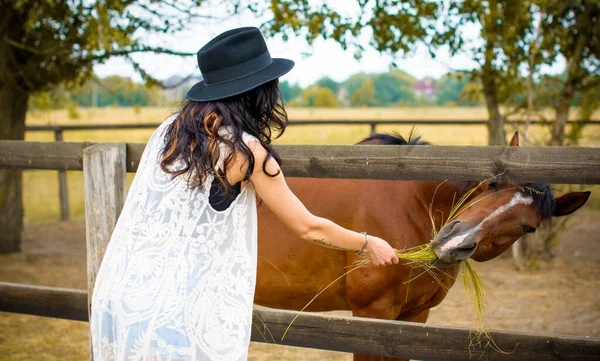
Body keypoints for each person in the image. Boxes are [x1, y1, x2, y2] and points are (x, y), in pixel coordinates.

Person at [90, 26, 398, 361]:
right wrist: (368, 242)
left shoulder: (169, 132)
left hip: (129, 291)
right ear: (260, 91)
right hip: (180, 308)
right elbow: (308, 227)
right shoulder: (245, 153)